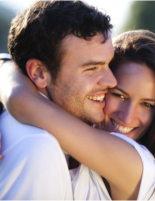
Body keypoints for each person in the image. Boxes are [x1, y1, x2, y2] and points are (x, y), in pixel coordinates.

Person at [0, 30, 155, 200]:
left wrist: (5, 66)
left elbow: (21, 99)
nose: (127, 117)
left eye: (147, 105)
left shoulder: (139, 167)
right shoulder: (69, 134)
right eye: (119, 95)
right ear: (102, 86)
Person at [0, 0, 116, 199]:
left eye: (109, 64)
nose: (112, 81)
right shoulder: (38, 148)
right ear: (39, 73)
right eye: (91, 68)